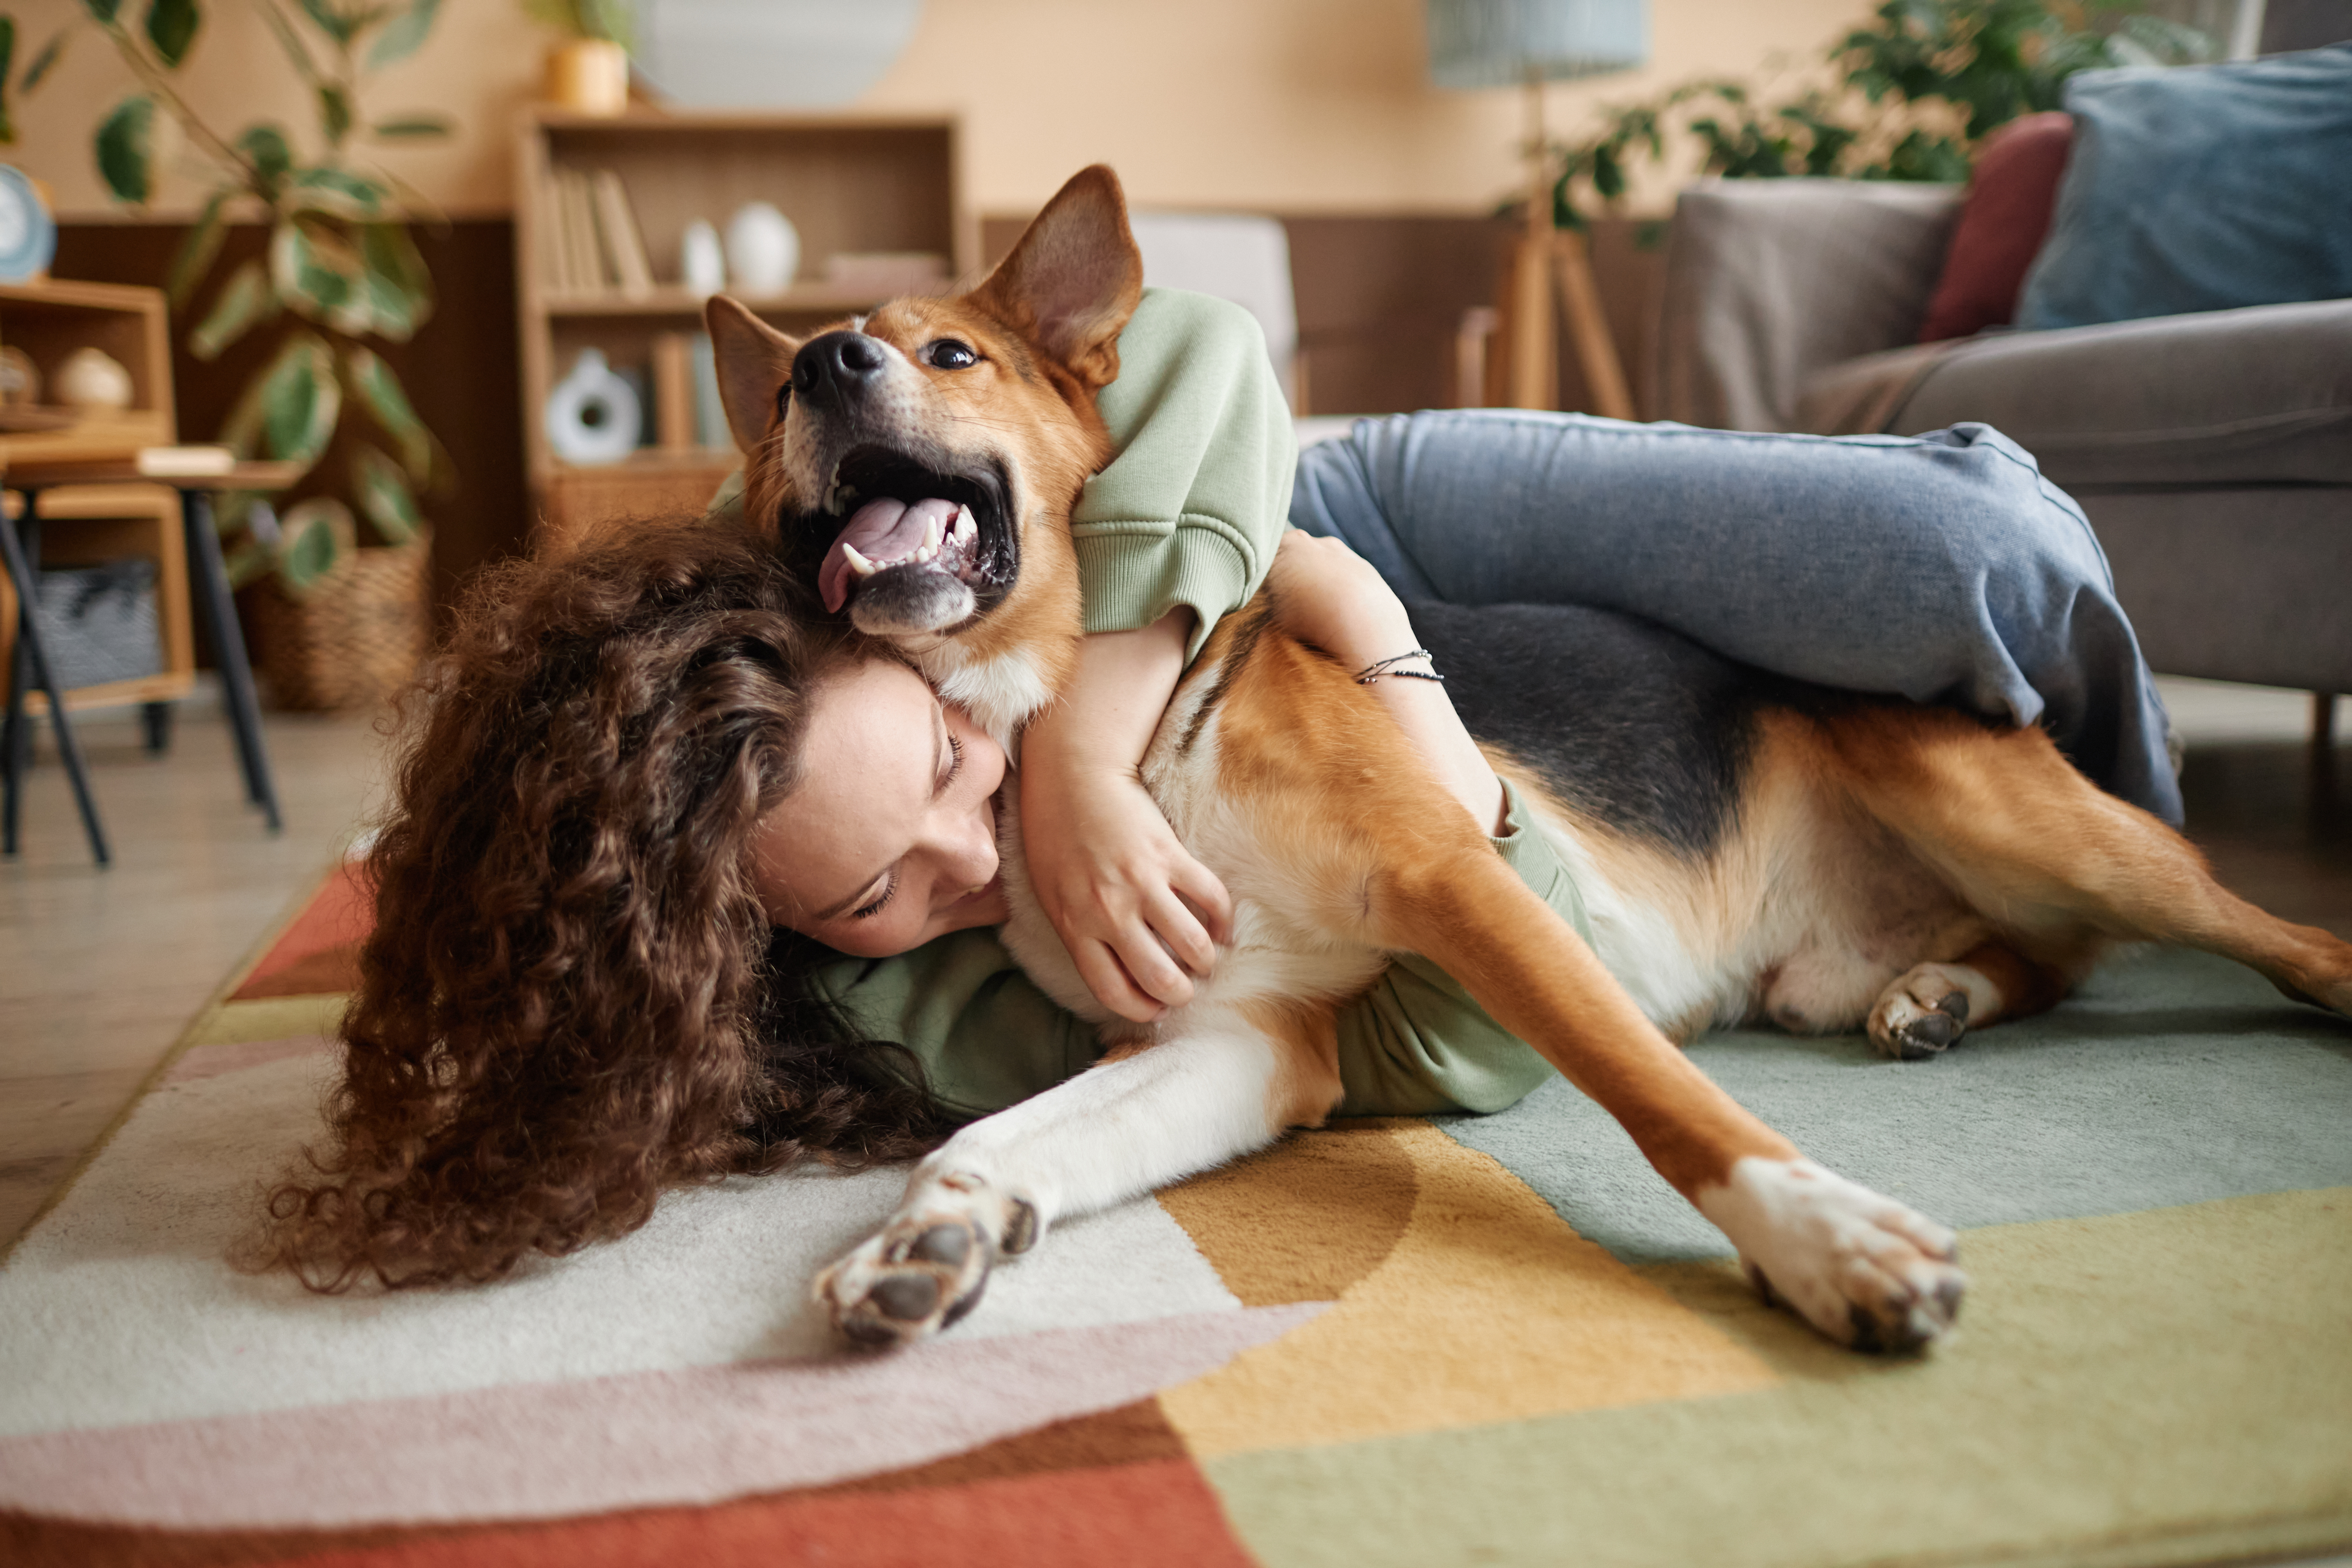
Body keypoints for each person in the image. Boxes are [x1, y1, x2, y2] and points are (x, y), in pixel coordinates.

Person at [257, 289, 2176, 1291]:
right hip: (1437, 724)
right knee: (1961, 641)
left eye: (943, 768)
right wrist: (989, 1168)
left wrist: (1090, 742)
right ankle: (2017, 947)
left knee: (1982, 573)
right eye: (869, 895)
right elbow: (1285, 1049)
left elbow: (1187, 355)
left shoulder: (757, 548)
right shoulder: (773, 828)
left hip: (1302, 489)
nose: (962, 835)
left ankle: (2086, 810)